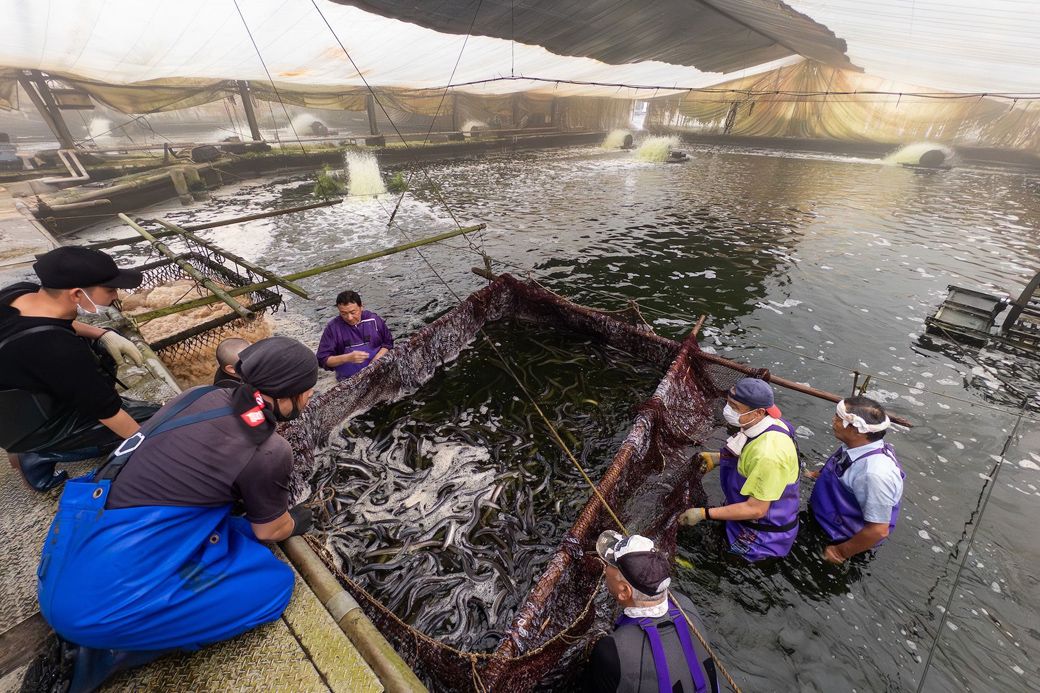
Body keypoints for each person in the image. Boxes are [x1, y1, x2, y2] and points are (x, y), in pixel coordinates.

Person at [26, 336, 318, 693]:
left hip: (69, 552)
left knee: (223, 527)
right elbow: (270, 531)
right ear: (288, 394)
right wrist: (292, 521)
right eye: (307, 390)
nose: (309, 398)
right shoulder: (270, 449)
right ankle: (107, 655)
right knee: (274, 585)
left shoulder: (197, 395)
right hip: (93, 609)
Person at [0, 246, 159, 492]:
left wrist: (102, 333)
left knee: (99, 348)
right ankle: (34, 454)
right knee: (157, 421)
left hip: (17, 403)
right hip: (29, 425)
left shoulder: (22, 293)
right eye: (110, 290)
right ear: (76, 294)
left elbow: (55, 322)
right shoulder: (56, 347)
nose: (115, 295)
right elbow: (107, 412)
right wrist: (152, 446)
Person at [679, 378, 800, 562]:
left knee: (715, 561)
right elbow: (747, 450)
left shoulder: (769, 455)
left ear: (759, 412)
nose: (728, 410)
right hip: (745, 514)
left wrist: (703, 513)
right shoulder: (768, 423)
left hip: (762, 536)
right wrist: (718, 458)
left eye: (735, 407)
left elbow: (757, 510)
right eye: (728, 403)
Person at [584, 531, 719, 693]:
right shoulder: (685, 604)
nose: (606, 567)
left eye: (610, 564)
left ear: (624, 591)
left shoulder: (610, 650)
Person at [807, 396, 904, 564]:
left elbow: (878, 530)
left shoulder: (874, 475)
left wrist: (839, 552)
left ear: (858, 430)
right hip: (825, 514)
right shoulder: (856, 446)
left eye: (839, 417)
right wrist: (814, 475)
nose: (833, 419)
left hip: (838, 536)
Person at [316, 290, 393, 381]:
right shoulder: (333, 328)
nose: (349, 318)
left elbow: (388, 344)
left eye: (353, 312)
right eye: (343, 314)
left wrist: (377, 360)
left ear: (361, 307)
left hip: (378, 374)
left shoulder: (374, 320)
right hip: (347, 380)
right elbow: (322, 359)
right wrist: (347, 358)